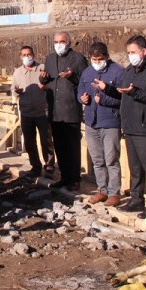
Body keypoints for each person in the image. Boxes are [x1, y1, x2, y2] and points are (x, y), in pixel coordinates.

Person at [104, 35, 146, 217]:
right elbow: (122, 93)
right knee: (135, 167)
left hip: (145, 126)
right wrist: (107, 89)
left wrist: (135, 92)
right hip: (130, 125)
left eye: (133, 52)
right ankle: (136, 199)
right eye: (128, 52)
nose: (130, 56)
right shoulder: (129, 70)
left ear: (143, 52)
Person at [77, 42, 124, 205]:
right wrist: (81, 98)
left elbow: (123, 97)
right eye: (94, 59)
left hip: (110, 121)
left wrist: (104, 99)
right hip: (91, 121)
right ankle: (102, 189)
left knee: (111, 158)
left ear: (106, 57)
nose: (97, 62)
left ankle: (114, 192)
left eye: (100, 59)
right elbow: (80, 90)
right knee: (97, 159)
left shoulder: (117, 72)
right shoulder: (87, 72)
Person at [41, 31, 88, 191]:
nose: (59, 44)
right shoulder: (49, 59)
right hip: (55, 110)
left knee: (72, 146)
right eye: (56, 41)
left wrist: (72, 77)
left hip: (71, 110)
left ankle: (74, 178)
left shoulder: (78, 59)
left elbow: (85, 81)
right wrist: (43, 78)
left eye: (62, 41)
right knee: (59, 146)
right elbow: (47, 80)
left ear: (68, 42)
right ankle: (64, 176)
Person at [12, 45, 54, 178]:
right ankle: (35, 166)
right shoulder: (17, 72)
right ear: (20, 57)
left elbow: (52, 85)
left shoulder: (42, 69)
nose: (27, 57)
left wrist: (45, 85)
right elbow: (13, 89)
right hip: (26, 113)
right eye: (24, 55)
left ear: (33, 55)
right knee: (30, 142)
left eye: (29, 54)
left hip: (42, 112)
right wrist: (16, 92)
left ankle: (49, 167)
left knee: (46, 141)